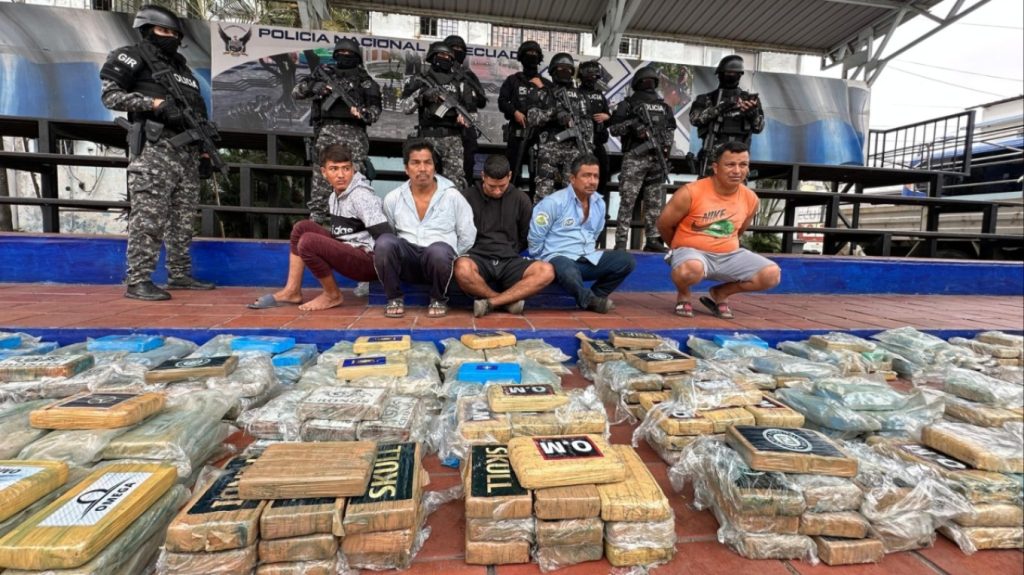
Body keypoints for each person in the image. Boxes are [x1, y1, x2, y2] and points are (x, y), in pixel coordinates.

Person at [99, 4, 214, 301]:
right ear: (147, 30)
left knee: (183, 220)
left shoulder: (184, 71)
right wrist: (153, 104)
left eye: (175, 34)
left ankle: (179, 274)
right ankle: (138, 280)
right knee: (148, 218)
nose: (170, 38)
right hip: (154, 150)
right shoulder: (132, 56)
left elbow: (197, 114)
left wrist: (204, 152)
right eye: (164, 31)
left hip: (187, 154)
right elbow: (110, 96)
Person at [247, 144, 389, 312]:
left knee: (309, 242)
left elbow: (386, 238)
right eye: (334, 169)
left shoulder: (362, 196)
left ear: (353, 169)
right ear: (324, 172)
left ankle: (332, 295)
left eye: (346, 168)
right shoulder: (334, 196)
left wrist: (391, 277)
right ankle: (292, 291)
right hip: (349, 251)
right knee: (302, 228)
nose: (341, 175)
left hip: (369, 263)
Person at [656, 141, 780, 319]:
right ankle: (684, 294)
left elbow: (738, 231)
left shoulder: (751, 198)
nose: (737, 171)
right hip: (692, 254)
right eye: (730, 164)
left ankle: (721, 293)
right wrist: (678, 248)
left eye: (743, 165)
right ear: (715, 167)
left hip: (728, 255)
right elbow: (664, 224)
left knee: (771, 274)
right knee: (690, 268)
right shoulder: (690, 192)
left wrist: (724, 245)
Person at [375, 139, 477, 318]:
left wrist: (450, 260)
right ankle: (394, 298)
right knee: (384, 242)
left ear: (434, 167)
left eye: (427, 162)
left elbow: (468, 234)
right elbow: (390, 232)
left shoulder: (452, 196)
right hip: (407, 260)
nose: (422, 168)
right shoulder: (394, 198)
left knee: (439, 251)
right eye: (415, 163)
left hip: (439, 262)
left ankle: (438, 298)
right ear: (406, 169)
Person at [529, 154, 635, 314]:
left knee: (626, 261)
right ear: (572, 178)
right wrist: (543, 264)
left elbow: (595, 233)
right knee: (567, 269)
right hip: (559, 259)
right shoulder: (554, 202)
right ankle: (588, 300)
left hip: (587, 258)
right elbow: (535, 237)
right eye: (586, 175)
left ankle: (595, 296)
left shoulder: (599, 203)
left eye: (595, 176)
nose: (592, 181)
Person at [293, 38, 382, 225]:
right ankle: (317, 224)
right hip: (326, 133)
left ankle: (352, 225)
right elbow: (297, 92)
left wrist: (364, 113)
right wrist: (313, 87)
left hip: (355, 138)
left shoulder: (366, 82)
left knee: (354, 183)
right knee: (322, 183)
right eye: (341, 53)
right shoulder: (324, 73)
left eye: (349, 54)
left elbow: (375, 112)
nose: (345, 57)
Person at [454, 155, 555, 317]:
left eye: (502, 186)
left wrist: (511, 251)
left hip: (510, 260)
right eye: (492, 186)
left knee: (546, 271)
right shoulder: (466, 197)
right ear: (483, 176)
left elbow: (525, 236)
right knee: (461, 268)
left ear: (509, 176)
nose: (497, 191)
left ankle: (491, 303)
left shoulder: (521, 199)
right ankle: (506, 302)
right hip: (478, 257)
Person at [607, 65, 676, 253]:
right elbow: (614, 128)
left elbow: (670, 130)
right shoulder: (627, 104)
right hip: (635, 157)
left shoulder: (664, 107)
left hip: (657, 159)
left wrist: (665, 149)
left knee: (654, 202)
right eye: (646, 81)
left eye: (651, 81)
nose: (649, 84)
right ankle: (621, 241)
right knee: (627, 200)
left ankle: (652, 239)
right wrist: (633, 125)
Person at [400, 42, 481, 191]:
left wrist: (465, 119)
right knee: (423, 180)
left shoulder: (461, 83)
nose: (445, 58)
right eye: (441, 55)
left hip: (452, 140)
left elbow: (473, 114)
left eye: (448, 56)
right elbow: (405, 107)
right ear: (433, 56)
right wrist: (422, 95)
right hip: (426, 139)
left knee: (454, 185)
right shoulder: (420, 80)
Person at [528, 53, 594, 202]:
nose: (565, 72)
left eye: (568, 69)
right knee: (543, 191)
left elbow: (588, 124)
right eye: (560, 68)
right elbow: (532, 118)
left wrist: (588, 148)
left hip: (575, 148)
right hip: (550, 146)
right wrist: (554, 113)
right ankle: (542, 217)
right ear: (553, 71)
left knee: (573, 193)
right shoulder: (544, 93)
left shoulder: (580, 96)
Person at [690, 55, 764, 176]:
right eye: (728, 73)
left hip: (739, 158)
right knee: (708, 187)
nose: (731, 76)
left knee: (737, 188)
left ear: (740, 75)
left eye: (734, 73)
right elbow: (695, 119)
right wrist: (721, 107)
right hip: (713, 158)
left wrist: (753, 115)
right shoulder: (706, 99)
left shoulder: (748, 100)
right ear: (719, 74)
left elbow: (758, 128)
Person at [498, 41, 550, 196]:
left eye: (535, 54)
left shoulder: (546, 83)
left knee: (539, 177)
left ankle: (536, 206)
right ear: (521, 57)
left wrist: (542, 88)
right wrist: (514, 112)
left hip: (539, 138)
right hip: (517, 135)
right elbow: (502, 101)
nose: (531, 56)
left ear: (539, 58)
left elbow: (553, 105)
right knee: (512, 174)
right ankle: (509, 203)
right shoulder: (513, 80)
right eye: (528, 53)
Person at [443, 35, 488, 186]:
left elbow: (482, 101)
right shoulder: (439, 75)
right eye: (454, 48)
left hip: (466, 131)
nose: (457, 51)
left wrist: (469, 92)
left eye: (460, 49)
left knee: (466, 171)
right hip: (445, 131)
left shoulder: (468, 75)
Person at [577, 60, 612, 201]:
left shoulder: (599, 95)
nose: (591, 78)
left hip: (597, 141)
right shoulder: (576, 93)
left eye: (594, 75)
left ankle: (597, 202)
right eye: (588, 75)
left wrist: (606, 117)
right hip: (581, 142)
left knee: (603, 170)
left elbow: (608, 116)